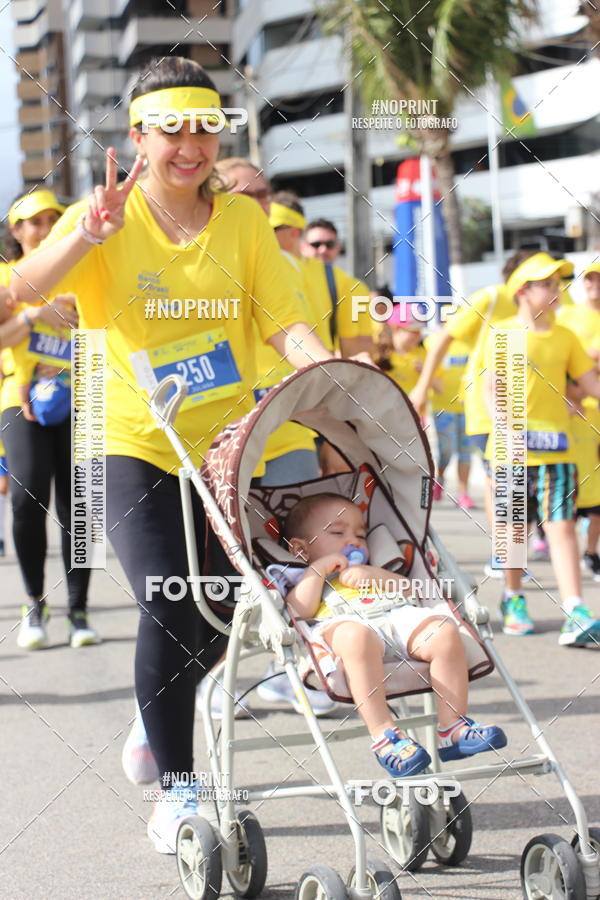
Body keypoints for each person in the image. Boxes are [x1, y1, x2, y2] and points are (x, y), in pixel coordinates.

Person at [11, 56, 335, 854]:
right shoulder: (102, 217)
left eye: (203, 127)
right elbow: (20, 292)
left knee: (217, 620)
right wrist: (86, 235)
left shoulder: (244, 222)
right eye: (171, 129)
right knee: (167, 599)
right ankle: (180, 793)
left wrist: (331, 373)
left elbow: (281, 321)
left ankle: (153, 718)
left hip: (227, 446)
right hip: (128, 442)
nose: (189, 146)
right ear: (138, 135)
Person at [272, 492, 507, 775]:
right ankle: (385, 734)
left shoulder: (374, 569)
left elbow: (412, 591)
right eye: (337, 532)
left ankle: (453, 726)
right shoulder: (303, 577)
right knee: (356, 636)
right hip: (342, 625)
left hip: (397, 618)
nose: (353, 541)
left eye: (361, 535)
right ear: (300, 549)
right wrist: (318, 570)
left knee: (443, 632)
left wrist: (376, 576)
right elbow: (298, 611)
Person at [484, 252, 600, 645]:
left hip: (557, 450)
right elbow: (492, 389)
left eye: (557, 283)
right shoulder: (504, 332)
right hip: (511, 450)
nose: (556, 291)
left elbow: (590, 385)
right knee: (515, 530)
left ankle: (575, 609)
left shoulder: (565, 337)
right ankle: (513, 597)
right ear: (523, 291)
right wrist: (505, 427)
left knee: (562, 526)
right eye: (547, 284)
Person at [0, 190, 98, 649]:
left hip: (83, 396)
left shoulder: (84, 269)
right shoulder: (5, 278)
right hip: (18, 398)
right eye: (33, 222)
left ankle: (79, 610)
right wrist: (37, 312)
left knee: (81, 506)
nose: (42, 229)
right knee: (26, 497)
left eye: (52, 220)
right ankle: (34, 603)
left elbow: (102, 330)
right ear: (16, 230)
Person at [557, 263, 600, 581]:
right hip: (576, 419)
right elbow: (559, 368)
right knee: (571, 496)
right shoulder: (567, 319)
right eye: (590, 278)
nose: (594, 284)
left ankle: (590, 552)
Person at [426, 335, 476, 509]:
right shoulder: (435, 341)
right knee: (445, 449)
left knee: (465, 452)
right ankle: (439, 478)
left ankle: (463, 494)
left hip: (467, 407)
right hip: (443, 407)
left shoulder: (473, 342)